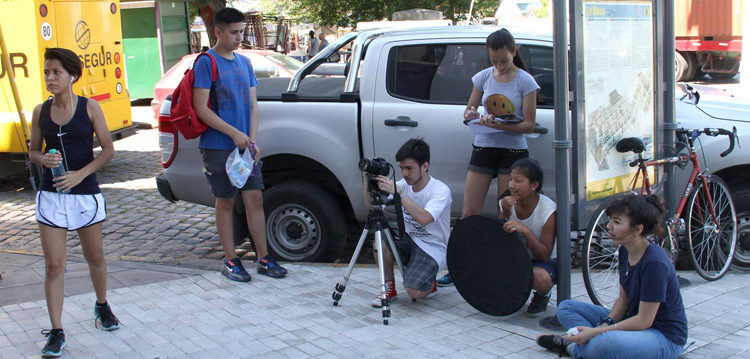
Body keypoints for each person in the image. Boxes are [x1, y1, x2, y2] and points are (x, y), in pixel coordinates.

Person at [29, 47, 120, 358]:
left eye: (56, 72)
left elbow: (108, 150)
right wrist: (42, 157)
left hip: (85, 193)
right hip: (51, 195)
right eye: (46, 72)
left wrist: (80, 175)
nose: (50, 78)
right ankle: (56, 331)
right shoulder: (40, 111)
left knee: (95, 257)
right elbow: (32, 152)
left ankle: (102, 304)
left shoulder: (90, 108)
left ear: (72, 76)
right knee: (54, 265)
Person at [437, 28, 540, 288]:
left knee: (504, 212)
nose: (499, 66)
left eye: (504, 61)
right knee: (469, 212)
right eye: (494, 61)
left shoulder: (525, 81)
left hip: (513, 151)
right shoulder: (483, 77)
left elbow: (529, 125)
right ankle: (461, 265)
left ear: (513, 52)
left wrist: (500, 126)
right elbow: (469, 109)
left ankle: (503, 267)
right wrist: (472, 115)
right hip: (484, 146)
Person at [193, 7, 287, 282]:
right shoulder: (206, 62)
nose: (238, 37)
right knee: (225, 201)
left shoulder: (244, 63)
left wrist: (252, 139)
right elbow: (201, 109)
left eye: (241, 32)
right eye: (233, 32)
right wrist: (233, 133)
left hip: (245, 146)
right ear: (218, 32)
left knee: (255, 198)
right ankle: (231, 260)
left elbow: (253, 105)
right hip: (218, 145)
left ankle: (264, 258)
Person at [537, 194, 688, 359]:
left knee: (607, 343)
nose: (609, 226)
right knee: (565, 308)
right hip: (632, 319)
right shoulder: (625, 250)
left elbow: (644, 321)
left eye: (617, 222)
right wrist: (605, 324)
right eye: (611, 220)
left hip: (662, 336)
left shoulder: (655, 263)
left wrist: (596, 331)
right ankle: (588, 342)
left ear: (638, 229)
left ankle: (573, 348)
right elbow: (623, 301)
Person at [364, 138, 452, 307]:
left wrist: (400, 194)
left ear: (425, 166)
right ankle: (388, 288)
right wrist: (367, 181)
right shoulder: (403, 185)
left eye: (409, 168)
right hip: (408, 239)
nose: (404, 173)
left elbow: (425, 218)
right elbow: (371, 207)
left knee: (414, 293)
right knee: (380, 236)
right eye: (402, 168)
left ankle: (430, 283)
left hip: (433, 247)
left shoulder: (440, 190)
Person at [499, 158, 557, 317]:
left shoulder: (548, 209)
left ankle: (543, 295)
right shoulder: (506, 203)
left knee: (540, 278)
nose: (511, 185)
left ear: (534, 185)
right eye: (511, 179)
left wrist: (527, 232)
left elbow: (545, 254)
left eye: (518, 181)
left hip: (545, 261)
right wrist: (505, 214)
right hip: (518, 255)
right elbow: (500, 240)